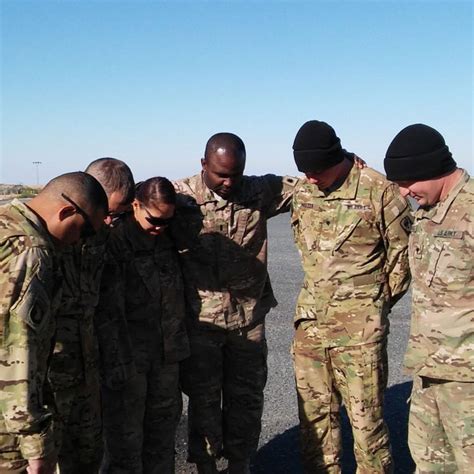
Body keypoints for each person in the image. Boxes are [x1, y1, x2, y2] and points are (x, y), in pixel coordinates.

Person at [171, 132, 298, 474]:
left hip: (249, 320)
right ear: (203, 165)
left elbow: (314, 185)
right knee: (204, 399)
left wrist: (347, 162)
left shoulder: (259, 190)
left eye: (235, 174)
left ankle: (241, 463)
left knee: (247, 398)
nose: (228, 182)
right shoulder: (180, 198)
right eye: (220, 174)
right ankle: (207, 466)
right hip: (202, 323)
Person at [290, 120, 412, 473]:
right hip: (310, 326)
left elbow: (402, 259)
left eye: (318, 170)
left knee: (367, 426)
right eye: (305, 171)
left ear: (338, 157)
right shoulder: (303, 190)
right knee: (315, 425)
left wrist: (372, 305)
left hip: (360, 333)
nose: (311, 178)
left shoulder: (379, 191)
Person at [0, 172, 108, 474]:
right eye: (85, 231)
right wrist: (35, 444)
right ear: (67, 212)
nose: (79, 242)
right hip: (10, 425)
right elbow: (18, 350)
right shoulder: (34, 252)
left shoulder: (6, 221)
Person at [384, 124, 473, 472]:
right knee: (429, 463)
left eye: (407, 182)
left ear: (431, 169)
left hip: (467, 381)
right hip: (428, 371)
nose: (404, 192)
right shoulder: (426, 213)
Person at [48, 158, 135, 473]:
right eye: (108, 213)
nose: (111, 222)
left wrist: (117, 359)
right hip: (46, 375)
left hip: (88, 367)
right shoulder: (48, 236)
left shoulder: (108, 236)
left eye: (121, 214)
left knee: (88, 455)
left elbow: (111, 303)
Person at [99, 177, 189, 474]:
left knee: (162, 440)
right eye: (154, 219)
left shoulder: (167, 236)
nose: (160, 227)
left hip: (166, 358)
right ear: (135, 205)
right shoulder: (115, 242)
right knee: (125, 445)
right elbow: (108, 312)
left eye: (167, 220)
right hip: (129, 363)